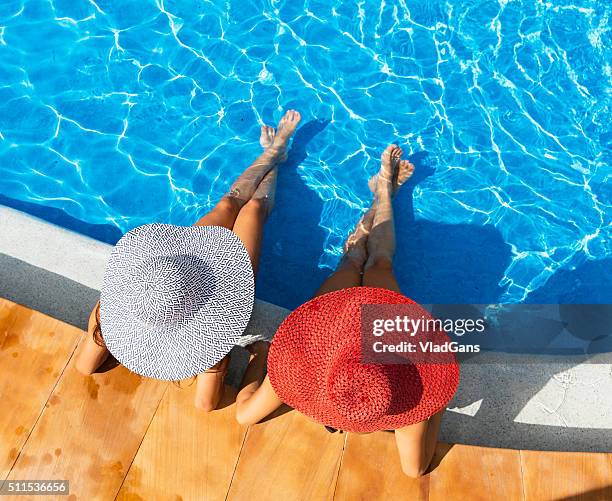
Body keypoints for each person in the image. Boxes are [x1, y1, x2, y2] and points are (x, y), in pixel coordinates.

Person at [233, 145, 460, 478]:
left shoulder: (406, 405)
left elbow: (416, 469)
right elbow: (243, 413)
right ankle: (383, 191)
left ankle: (384, 191)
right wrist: (262, 360)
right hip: (334, 326)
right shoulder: (295, 375)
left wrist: (432, 401)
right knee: (360, 260)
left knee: (366, 261)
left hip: (365, 330)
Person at [75, 110, 302, 412]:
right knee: (252, 209)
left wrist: (256, 357)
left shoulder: (118, 314)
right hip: (221, 289)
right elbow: (205, 404)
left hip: (183, 269)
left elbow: (83, 367)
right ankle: (276, 152)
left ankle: (273, 152)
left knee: (229, 203)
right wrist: (259, 356)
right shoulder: (206, 347)